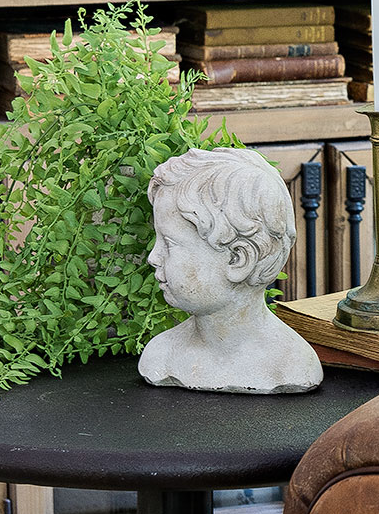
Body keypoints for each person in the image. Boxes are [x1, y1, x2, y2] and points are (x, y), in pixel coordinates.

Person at [138, 147, 323, 394]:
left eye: (169, 243)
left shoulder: (290, 366)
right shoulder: (160, 356)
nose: (153, 257)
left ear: (238, 259)